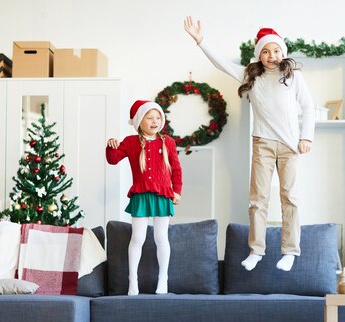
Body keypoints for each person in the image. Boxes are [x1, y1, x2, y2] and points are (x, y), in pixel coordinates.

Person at [184, 16, 315, 272]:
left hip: (289, 146)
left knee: (290, 197)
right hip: (263, 143)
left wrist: (306, 137)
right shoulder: (250, 75)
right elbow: (221, 64)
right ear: (259, 55)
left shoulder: (293, 76)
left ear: (283, 52)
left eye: (276, 50)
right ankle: (256, 250)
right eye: (266, 51)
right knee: (258, 199)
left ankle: (289, 251)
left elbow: (308, 106)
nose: (272, 55)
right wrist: (201, 42)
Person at [106, 100, 182, 295]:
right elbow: (113, 160)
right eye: (149, 117)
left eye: (158, 117)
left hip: (163, 195)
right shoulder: (131, 142)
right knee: (138, 237)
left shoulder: (168, 143)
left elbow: (176, 169)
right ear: (140, 121)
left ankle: (163, 280)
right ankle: (133, 281)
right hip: (140, 195)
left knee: (161, 237)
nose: (154, 121)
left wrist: (177, 191)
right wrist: (111, 145)